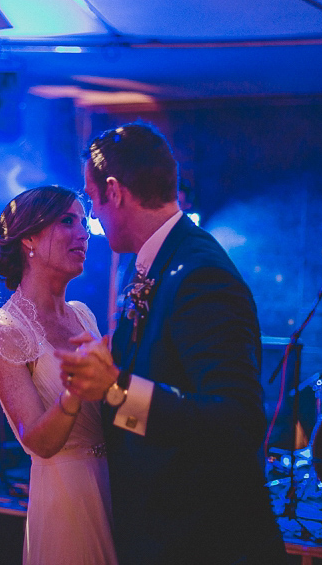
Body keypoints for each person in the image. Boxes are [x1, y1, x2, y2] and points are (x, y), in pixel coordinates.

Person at [56, 123, 286, 565]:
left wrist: (117, 390)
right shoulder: (147, 262)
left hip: (205, 540)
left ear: (114, 191)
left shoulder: (201, 273)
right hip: (159, 529)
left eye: (90, 200)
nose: (92, 217)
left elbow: (238, 421)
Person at [0, 185, 118, 565]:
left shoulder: (83, 314)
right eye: (68, 221)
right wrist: (76, 388)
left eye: (84, 222)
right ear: (29, 238)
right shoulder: (2, 329)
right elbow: (36, 441)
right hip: (67, 496)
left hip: (116, 485)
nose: (83, 233)